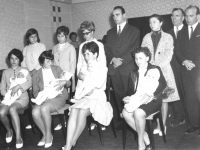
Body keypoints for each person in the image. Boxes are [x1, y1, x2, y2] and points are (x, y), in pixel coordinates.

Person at [61, 41, 113, 150]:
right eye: (84, 54)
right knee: (74, 111)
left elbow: (99, 84)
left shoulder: (103, 68)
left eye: (88, 54)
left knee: (81, 113)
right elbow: (82, 85)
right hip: (85, 97)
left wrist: (85, 78)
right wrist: (85, 82)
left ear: (96, 54)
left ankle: (71, 142)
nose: (85, 57)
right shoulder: (84, 68)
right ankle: (68, 143)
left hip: (97, 97)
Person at [141, 14, 180, 136]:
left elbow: (169, 53)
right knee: (154, 98)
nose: (152, 24)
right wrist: (150, 65)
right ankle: (157, 124)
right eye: (150, 22)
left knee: (164, 99)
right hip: (151, 72)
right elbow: (143, 53)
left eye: (154, 22)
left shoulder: (168, 37)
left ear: (161, 23)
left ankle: (163, 125)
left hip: (164, 70)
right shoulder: (146, 37)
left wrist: (157, 64)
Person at [122, 47, 167, 150]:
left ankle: (140, 142)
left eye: (140, 58)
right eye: (136, 58)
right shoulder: (133, 72)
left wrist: (151, 94)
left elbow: (163, 84)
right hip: (138, 99)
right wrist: (128, 97)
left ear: (147, 58)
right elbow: (130, 90)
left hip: (153, 100)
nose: (138, 61)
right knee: (125, 113)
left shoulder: (155, 69)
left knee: (138, 113)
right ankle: (145, 135)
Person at [104, 6, 140, 130]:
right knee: (118, 97)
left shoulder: (134, 30)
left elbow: (134, 48)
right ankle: (123, 121)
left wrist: (122, 60)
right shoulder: (110, 32)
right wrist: (112, 59)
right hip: (114, 69)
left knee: (129, 96)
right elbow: (107, 49)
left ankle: (133, 122)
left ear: (124, 15)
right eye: (113, 15)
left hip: (127, 69)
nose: (115, 18)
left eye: (117, 15)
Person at [32, 51, 71, 148]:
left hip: (59, 95)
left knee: (44, 108)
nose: (51, 63)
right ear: (41, 63)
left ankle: (49, 135)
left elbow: (69, 82)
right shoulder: (37, 73)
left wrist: (64, 82)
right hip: (45, 97)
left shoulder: (57, 69)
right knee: (34, 113)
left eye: (51, 60)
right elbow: (35, 91)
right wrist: (43, 97)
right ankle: (45, 134)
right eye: (47, 61)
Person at [77, 21, 107, 130]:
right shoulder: (81, 46)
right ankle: (91, 119)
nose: (85, 36)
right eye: (83, 33)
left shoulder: (99, 45)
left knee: (94, 98)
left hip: (95, 77)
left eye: (87, 33)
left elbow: (102, 64)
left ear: (93, 31)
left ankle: (99, 119)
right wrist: (79, 77)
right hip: (84, 75)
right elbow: (80, 63)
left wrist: (94, 83)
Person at [175, 5, 200, 134]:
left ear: (198, 16)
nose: (188, 18)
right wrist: (184, 61)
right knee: (190, 98)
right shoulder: (182, 31)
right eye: (186, 16)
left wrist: (194, 63)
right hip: (185, 69)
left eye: (191, 16)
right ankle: (194, 124)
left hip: (198, 70)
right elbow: (177, 50)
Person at [0, 49, 32, 149]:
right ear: (9, 59)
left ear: (20, 60)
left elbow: (29, 83)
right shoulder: (5, 72)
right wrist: (8, 95)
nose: (14, 61)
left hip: (22, 98)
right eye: (12, 58)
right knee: (1, 113)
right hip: (9, 98)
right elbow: (2, 87)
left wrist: (18, 87)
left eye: (16, 58)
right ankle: (9, 131)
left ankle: (18, 137)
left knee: (12, 109)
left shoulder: (25, 70)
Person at [21, 28, 46, 129]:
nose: (34, 38)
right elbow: (23, 62)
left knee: (40, 96)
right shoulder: (26, 48)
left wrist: (35, 70)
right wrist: (27, 71)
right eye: (31, 37)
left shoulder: (41, 46)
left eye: (35, 36)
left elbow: (43, 59)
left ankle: (44, 120)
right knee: (32, 97)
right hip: (29, 74)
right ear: (28, 38)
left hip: (39, 72)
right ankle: (35, 121)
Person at [52, 26, 76, 130]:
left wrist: (65, 79)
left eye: (62, 36)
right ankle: (62, 120)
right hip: (57, 77)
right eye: (58, 36)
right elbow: (53, 64)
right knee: (56, 97)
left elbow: (72, 66)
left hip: (67, 78)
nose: (60, 38)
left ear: (66, 36)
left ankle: (68, 121)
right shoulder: (54, 48)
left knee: (67, 99)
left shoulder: (70, 48)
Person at [167, 8, 187, 127]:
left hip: (186, 68)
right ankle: (179, 117)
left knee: (189, 94)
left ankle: (192, 117)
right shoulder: (167, 33)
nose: (174, 18)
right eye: (172, 16)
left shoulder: (188, 31)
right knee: (175, 93)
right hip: (172, 68)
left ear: (183, 18)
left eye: (177, 16)